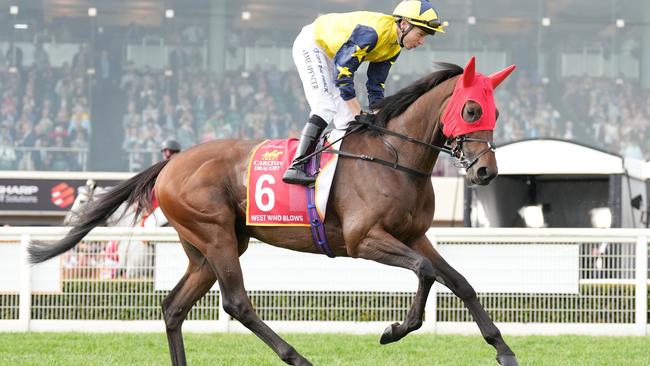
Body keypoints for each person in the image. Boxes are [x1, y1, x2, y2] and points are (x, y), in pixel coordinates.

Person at [282, 0, 446, 185]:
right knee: (325, 107)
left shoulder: (394, 46)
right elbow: (343, 73)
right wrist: (358, 112)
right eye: (421, 34)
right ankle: (297, 165)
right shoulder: (372, 33)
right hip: (313, 44)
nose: (422, 41)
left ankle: (340, 174)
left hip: (334, 55)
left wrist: (378, 115)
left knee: (347, 122)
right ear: (405, 24)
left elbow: (375, 85)